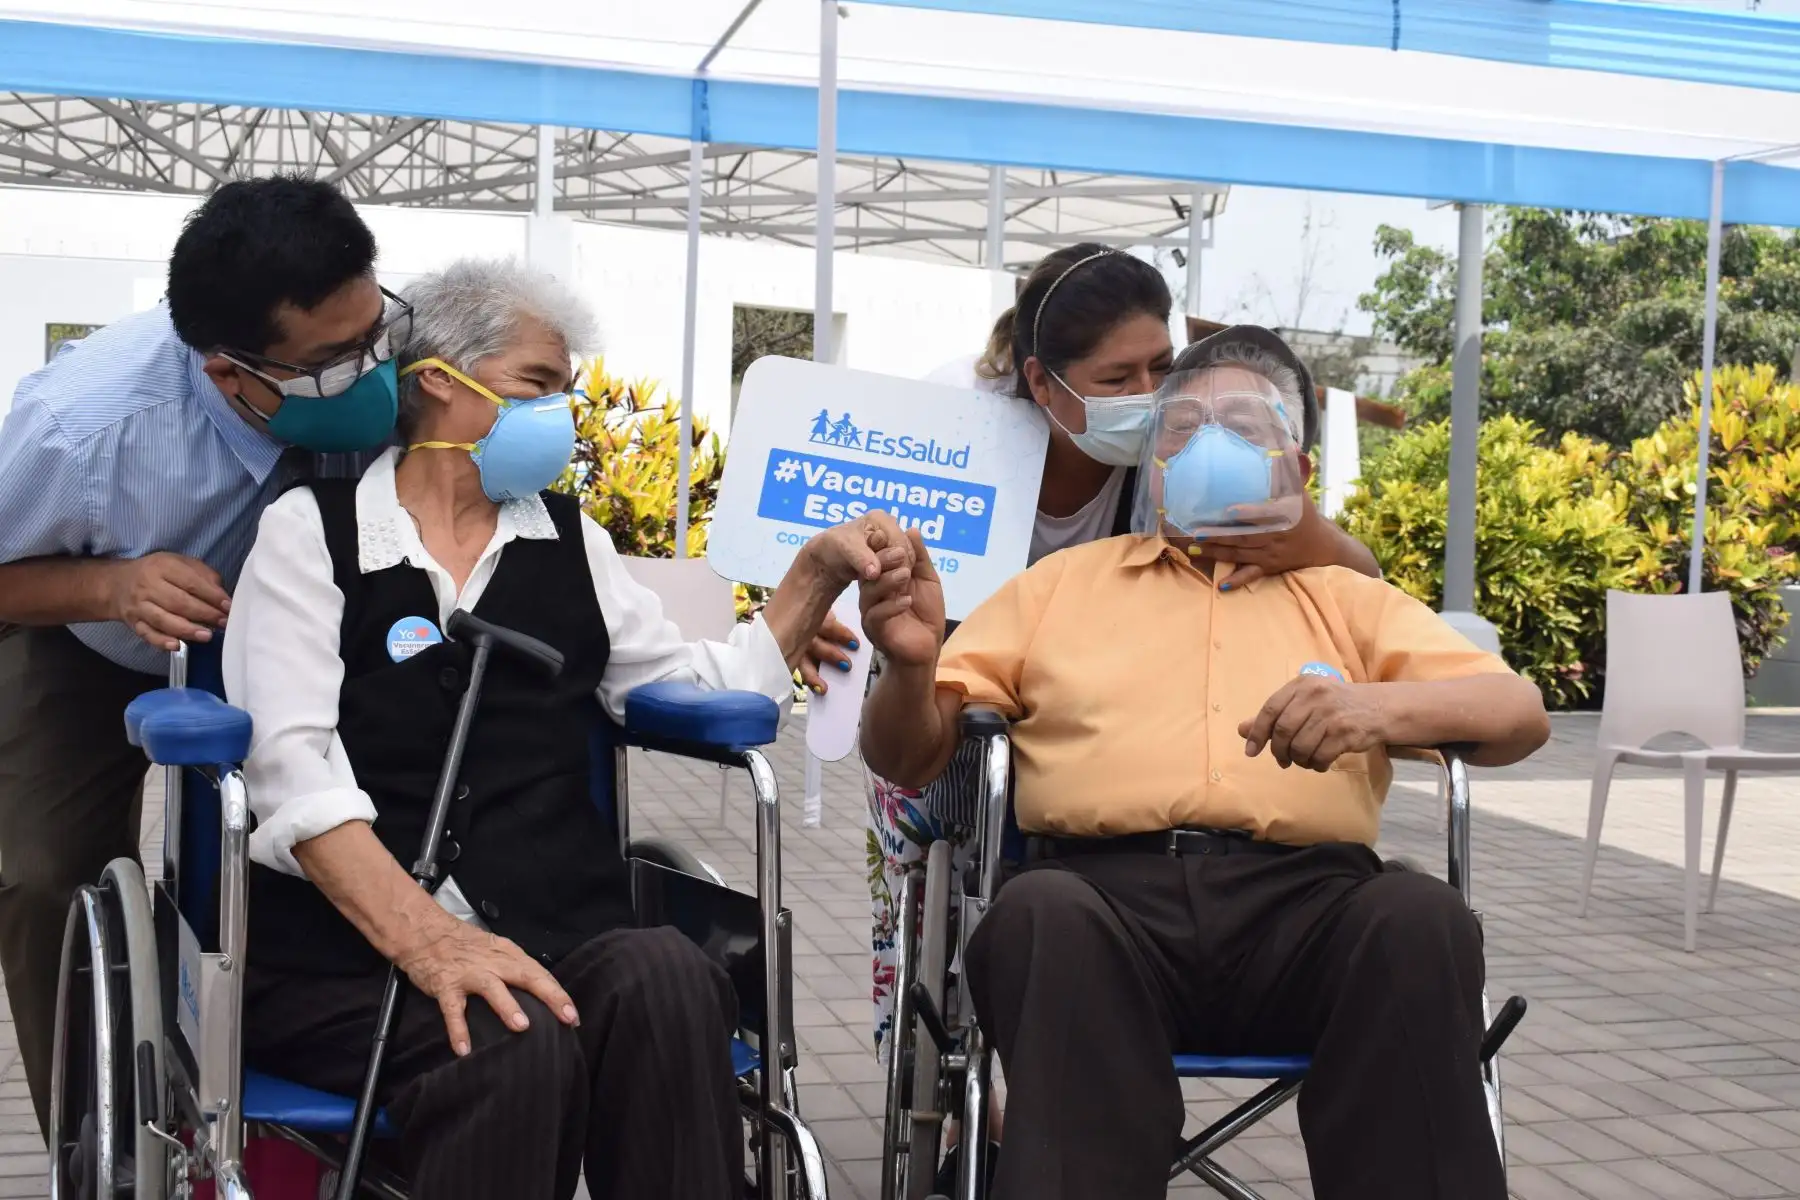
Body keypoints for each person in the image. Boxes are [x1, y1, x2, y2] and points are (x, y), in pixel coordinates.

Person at [223, 258, 910, 1200]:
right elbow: (291, 771)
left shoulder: (568, 537)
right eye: (536, 386)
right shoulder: (313, 532)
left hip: (555, 926)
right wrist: (432, 940)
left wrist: (814, 577)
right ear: (437, 382)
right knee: (517, 1041)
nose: (562, 415)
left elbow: (677, 685)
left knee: (671, 975)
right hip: (348, 959)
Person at [857, 327, 1550, 1200]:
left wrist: (1374, 708)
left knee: (1420, 916)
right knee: (1037, 911)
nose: (1208, 442)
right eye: (1182, 427)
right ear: (1152, 471)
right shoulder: (1061, 585)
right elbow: (909, 755)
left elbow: (1520, 716)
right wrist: (911, 665)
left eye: (1243, 427)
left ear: (1295, 472)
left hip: (1311, 909)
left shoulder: (1346, 597)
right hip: (1106, 909)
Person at [858, 244, 1384, 1066]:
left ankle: (1065, 1053)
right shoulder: (956, 426)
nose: (1148, 397)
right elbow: (850, 546)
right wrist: (834, 613)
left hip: (1096, 712)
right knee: (959, 810)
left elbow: (1358, 592)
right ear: (1041, 383)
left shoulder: (1188, 457)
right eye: (1115, 380)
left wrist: (1303, 530)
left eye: (1161, 367)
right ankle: (960, 1071)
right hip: (957, 687)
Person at [0, 175, 401, 1132]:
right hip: (93, 642)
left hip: (308, 648)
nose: (374, 370)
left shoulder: (358, 317)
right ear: (232, 374)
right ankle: (93, 1140)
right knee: (42, 872)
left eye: (377, 331)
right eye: (339, 362)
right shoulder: (81, 429)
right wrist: (108, 586)